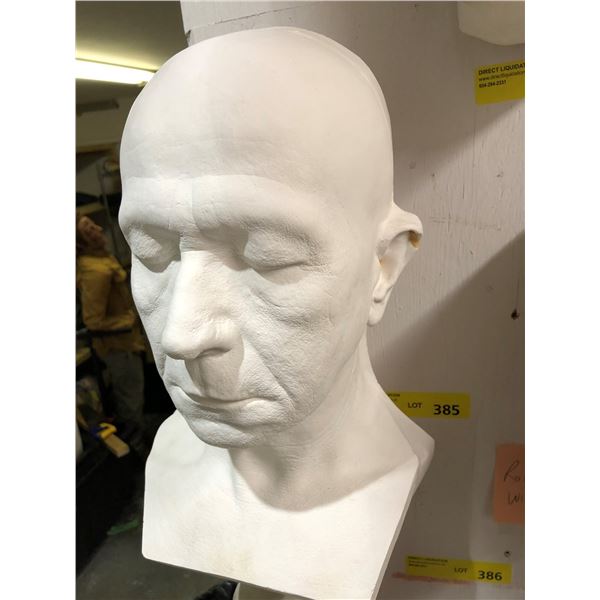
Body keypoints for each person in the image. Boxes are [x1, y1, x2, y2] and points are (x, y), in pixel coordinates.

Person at [76, 213, 146, 454]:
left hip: (126, 341)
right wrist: (129, 319)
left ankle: (137, 445)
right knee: (130, 398)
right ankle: (135, 454)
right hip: (118, 346)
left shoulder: (101, 259)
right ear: (80, 243)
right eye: (88, 229)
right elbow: (93, 321)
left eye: (93, 224)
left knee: (132, 393)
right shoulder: (94, 271)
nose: (97, 229)